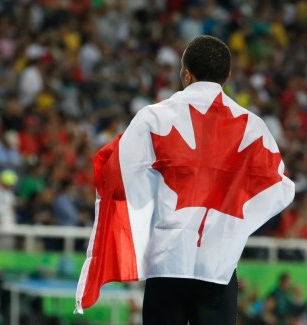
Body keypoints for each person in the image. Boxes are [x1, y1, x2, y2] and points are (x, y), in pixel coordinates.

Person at [75, 36, 295, 325]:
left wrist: (147, 207)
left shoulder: (154, 117)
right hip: (219, 265)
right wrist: (236, 226)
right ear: (227, 76)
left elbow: (116, 176)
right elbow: (280, 188)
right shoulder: (253, 128)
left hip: (167, 261)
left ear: (186, 73)